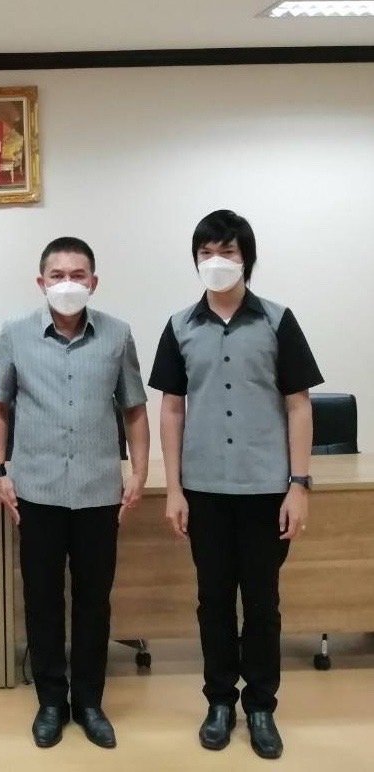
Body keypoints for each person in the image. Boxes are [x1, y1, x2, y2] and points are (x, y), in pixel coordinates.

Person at [149, 210, 323, 760]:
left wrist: (299, 485)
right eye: (206, 253)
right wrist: (174, 489)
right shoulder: (180, 326)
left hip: (266, 490)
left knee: (263, 602)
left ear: (246, 257)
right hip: (204, 491)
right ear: (195, 260)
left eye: (227, 251)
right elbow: (171, 409)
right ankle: (220, 701)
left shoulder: (277, 321)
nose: (216, 261)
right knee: (214, 600)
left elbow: (299, 405)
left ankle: (262, 706)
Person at [0, 237, 149, 751]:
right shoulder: (15, 334)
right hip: (36, 491)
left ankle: (90, 703)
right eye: (57, 275)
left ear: (93, 282)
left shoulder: (117, 334)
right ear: (41, 282)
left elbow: (134, 408)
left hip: (99, 491)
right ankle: (51, 702)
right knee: (42, 601)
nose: (67, 284)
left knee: (94, 602)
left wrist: (139, 471)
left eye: (78, 275)